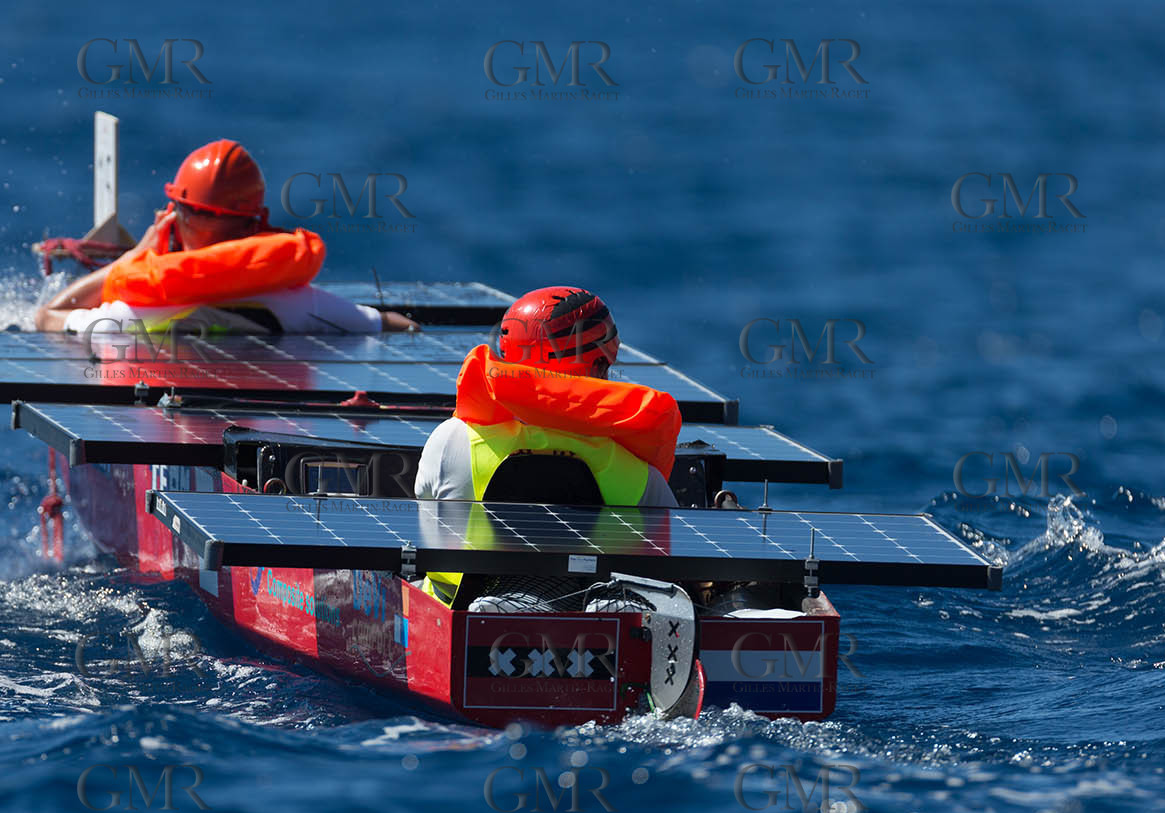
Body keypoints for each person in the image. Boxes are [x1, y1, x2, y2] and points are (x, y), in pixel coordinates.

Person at [414, 286, 682, 607]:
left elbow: (427, 531)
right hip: (590, 633)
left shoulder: (449, 443)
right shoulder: (636, 474)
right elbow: (667, 563)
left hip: (449, 616)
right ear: (596, 365)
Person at [33, 140, 416, 335]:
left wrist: (133, 258)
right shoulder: (300, 305)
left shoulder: (131, 318)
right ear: (255, 223)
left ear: (174, 215)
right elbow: (395, 325)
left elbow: (48, 316)